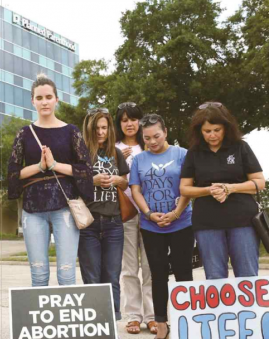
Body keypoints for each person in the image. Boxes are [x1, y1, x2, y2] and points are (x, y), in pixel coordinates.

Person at [7, 73, 93, 287]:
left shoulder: (71, 131)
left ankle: (68, 321)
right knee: (38, 275)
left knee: (66, 275)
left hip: (65, 207)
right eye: (39, 98)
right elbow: (13, 173)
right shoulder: (24, 133)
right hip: (32, 209)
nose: (44, 102)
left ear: (57, 99)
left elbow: (85, 169)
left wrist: (54, 166)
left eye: (48, 97)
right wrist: (39, 167)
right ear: (32, 101)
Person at [180, 102, 264, 280]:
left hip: (243, 221)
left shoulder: (241, 147)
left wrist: (230, 188)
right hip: (207, 223)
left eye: (217, 130)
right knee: (215, 277)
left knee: (247, 275)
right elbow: (184, 188)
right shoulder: (194, 153)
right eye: (207, 131)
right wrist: (209, 190)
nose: (212, 135)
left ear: (226, 127)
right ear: (199, 131)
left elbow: (259, 182)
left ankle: (248, 309)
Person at [129, 114, 193, 339]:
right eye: (147, 138)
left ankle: (187, 321)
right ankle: (162, 323)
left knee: (184, 272)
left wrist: (176, 213)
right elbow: (136, 190)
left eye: (156, 136)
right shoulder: (139, 159)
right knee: (158, 274)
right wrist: (148, 214)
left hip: (182, 223)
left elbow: (188, 186)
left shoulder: (182, 154)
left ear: (165, 131)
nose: (152, 141)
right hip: (151, 226)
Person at [78, 108, 129, 321]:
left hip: (114, 223)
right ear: (89, 129)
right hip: (88, 222)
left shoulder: (115, 153)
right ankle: (94, 321)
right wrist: (93, 180)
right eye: (96, 128)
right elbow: (71, 184)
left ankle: (112, 320)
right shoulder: (80, 153)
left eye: (104, 128)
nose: (100, 132)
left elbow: (126, 182)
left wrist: (117, 181)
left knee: (112, 276)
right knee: (91, 277)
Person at [114, 102, 156, 335]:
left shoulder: (149, 144)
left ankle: (152, 315)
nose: (129, 124)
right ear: (119, 124)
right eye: (124, 120)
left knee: (151, 266)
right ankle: (132, 315)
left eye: (133, 119)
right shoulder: (112, 147)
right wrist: (117, 158)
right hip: (126, 213)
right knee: (129, 267)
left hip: (150, 212)